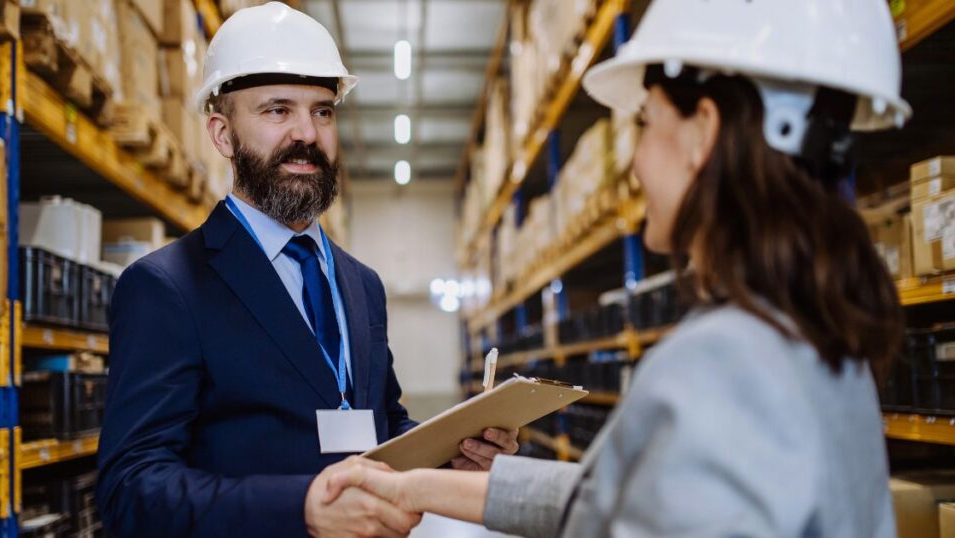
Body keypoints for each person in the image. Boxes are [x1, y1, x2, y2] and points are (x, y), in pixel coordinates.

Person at [321, 1, 909, 536]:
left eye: (645, 123)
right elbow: (620, 496)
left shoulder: (725, 366)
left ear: (703, 132)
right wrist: (419, 485)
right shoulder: (816, 334)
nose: (634, 160)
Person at [95, 3, 517, 537]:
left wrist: (452, 457)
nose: (307, 134)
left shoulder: (361, 283)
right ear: (222, 135)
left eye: (322, 111)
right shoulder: (168, 286)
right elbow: (129, 489)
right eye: (277, 111)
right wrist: (301, 508)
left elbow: (383, 427)